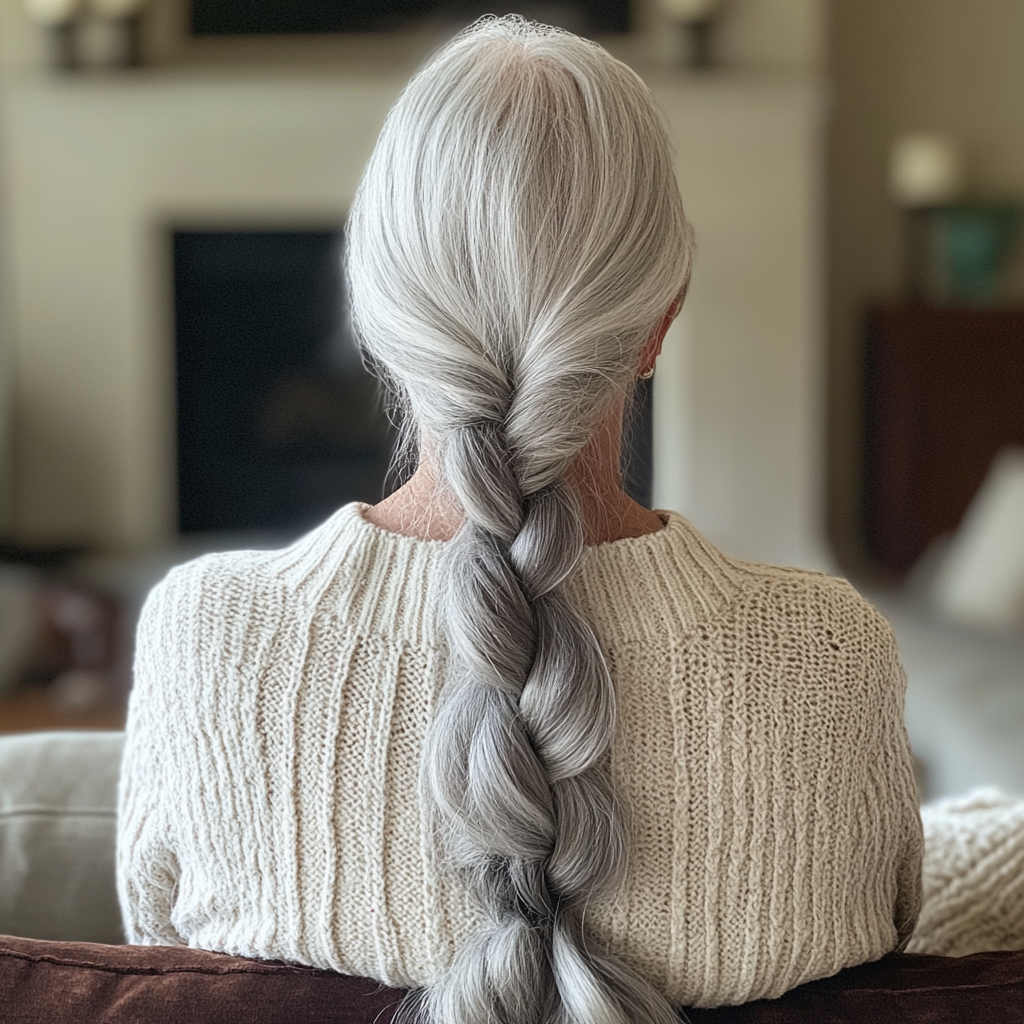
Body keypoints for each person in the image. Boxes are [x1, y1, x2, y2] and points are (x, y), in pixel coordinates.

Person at [117, 17, 923, 1024]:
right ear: (659, 318)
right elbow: (898, 942)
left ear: (374, 312)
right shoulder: (832, 652)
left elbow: (157, 962)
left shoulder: (205, 633)